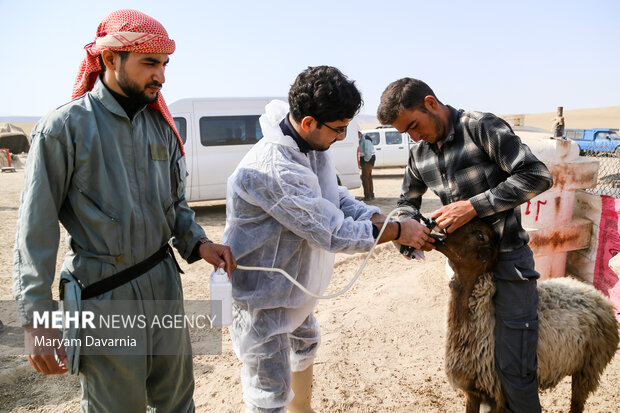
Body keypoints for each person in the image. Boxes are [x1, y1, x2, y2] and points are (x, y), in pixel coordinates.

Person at [12, 9, 235, 412]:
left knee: (177, 402)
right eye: (150, 62)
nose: (161, 76)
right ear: (110, 59)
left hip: (163, 285)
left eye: (164, 64)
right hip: (104, 297)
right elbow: (35, 232)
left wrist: (199, 243)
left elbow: (174, 207)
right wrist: (39, 320)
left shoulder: (160, 128)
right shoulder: (64, 129)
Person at [223, 66, 433, 413]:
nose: (341, 136)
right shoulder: (273, 169)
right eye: (338, 129)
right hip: (265, 295)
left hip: (295, 287)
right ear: (308, 123)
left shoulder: (308, 147)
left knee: (305, 346)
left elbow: (334, 197)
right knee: (268, 391)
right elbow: (331, 231)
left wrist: (376, 218)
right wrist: (396, 231)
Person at [377, 78, 553, 413]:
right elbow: (406, 202)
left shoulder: (481, 128)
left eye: (413, 126)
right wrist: (409, 230)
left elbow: (537, 175)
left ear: (431, 103)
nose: (413, 137)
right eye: (406, 133)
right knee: (475, 365)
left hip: (508, 262)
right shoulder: (419, 154)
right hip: (463, 273)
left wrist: (474, 206)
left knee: (514, 370)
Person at [358, 131, 376, 200]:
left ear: (359, 134)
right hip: (367, 160)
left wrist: (365, 160)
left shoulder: (365, 139)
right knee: (368, 177)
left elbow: (368, 152)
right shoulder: (363, 139)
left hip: (367, 160)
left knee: (365, 178)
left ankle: (368, 196)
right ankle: (371, 195)